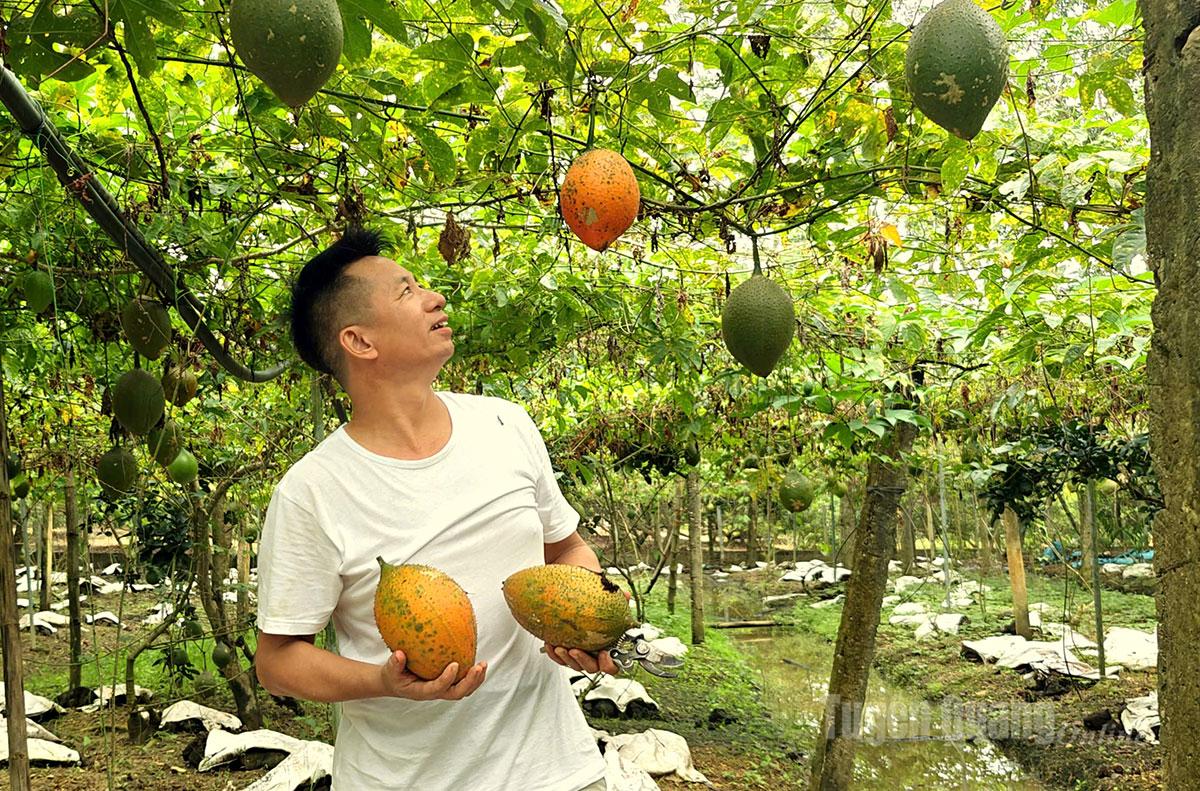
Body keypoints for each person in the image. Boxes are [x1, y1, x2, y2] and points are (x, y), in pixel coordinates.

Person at [254, 228, 617, 790]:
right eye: (405, 291)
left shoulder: (506, 424)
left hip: (558, 770)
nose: (434, 297)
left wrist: (584, 623)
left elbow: (566, 545)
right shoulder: (312, 491)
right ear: (359, 341)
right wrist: (383, 680)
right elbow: (277, 661)